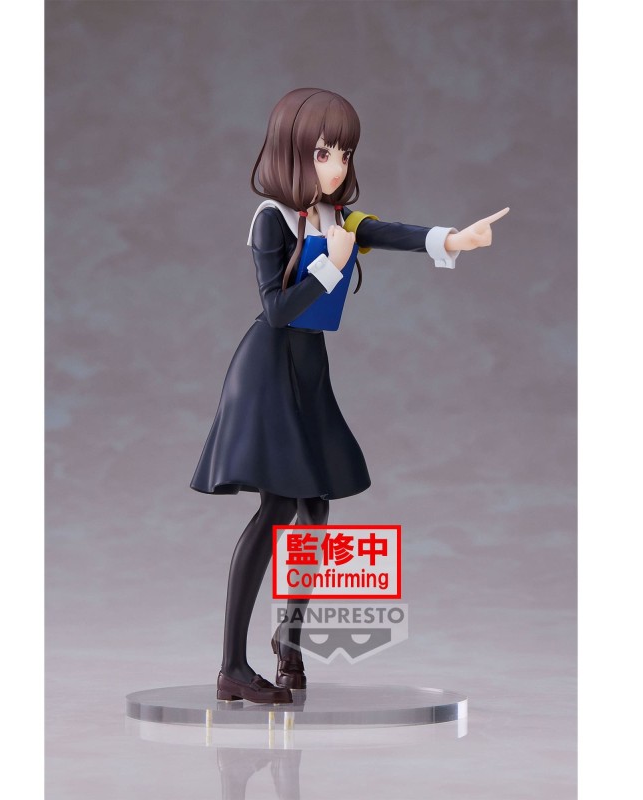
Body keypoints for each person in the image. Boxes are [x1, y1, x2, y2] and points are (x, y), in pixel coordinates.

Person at [191, 88, 508, 704]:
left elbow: (390, 232)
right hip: (268, 369)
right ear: (290, 151)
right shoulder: (272, 218)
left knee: (315, 507)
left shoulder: (337, 218)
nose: (336, 166)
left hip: (309, 368)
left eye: (344, 153)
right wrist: (331, 265)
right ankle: (232, 665)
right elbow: (276, 309)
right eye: (322, 153)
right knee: (277, 506)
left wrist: (455, 239)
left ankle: (289, 641)